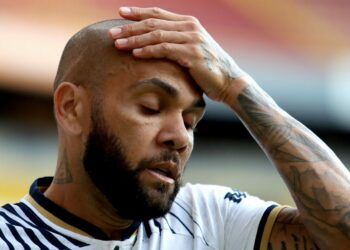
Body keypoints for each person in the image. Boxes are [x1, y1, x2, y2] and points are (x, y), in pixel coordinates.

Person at [1, 6, 349, 250]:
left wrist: (237, 87)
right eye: (151, 107)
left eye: (190, 121)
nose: (181, 137)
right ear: (71, 108)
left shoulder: (211, 218)